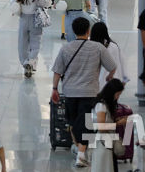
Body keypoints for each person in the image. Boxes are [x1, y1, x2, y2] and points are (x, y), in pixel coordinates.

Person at [51, 17, 116, 167]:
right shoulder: (98, 48)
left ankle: (80, 152)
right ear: (88, 31)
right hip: (89, 92)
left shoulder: (66, 48)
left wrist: (54, 89)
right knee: (85, 123)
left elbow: (57, 71)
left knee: (73, 122)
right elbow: (112, 66)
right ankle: (81, 152)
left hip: (70, 92)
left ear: (73, 31)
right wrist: (109, 76)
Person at [15, 0, 52, 77]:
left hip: (23, 20)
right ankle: (30, 62)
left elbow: (13, 5)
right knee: (36, 44)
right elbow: (46, 4)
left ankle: (25, 63)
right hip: (35, 20)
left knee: (22, 44)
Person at [90, 79, 126, 172]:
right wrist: (118, 123)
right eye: (117, 94)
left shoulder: (105, 104)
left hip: (107, 143)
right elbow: (101, 127)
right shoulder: (101, 106)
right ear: (111, 93)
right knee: (105, 167)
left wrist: (115, 120)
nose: (117, 98)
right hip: (102, 144)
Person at [90, 23, 129, 88]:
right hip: (114, 83)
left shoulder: (90, 47)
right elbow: (123, 63)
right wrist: (124, 79)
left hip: (95, 86)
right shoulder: (114, 46)